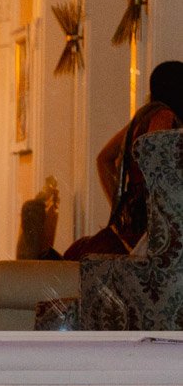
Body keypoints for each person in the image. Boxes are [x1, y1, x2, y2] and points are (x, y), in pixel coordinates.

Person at [69, 61, 183, 256]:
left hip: (132, 226)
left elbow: (104, 159)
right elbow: (157, 166)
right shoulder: (164, 116)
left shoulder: (142, 117)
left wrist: (121, 202)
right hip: (149, 230)